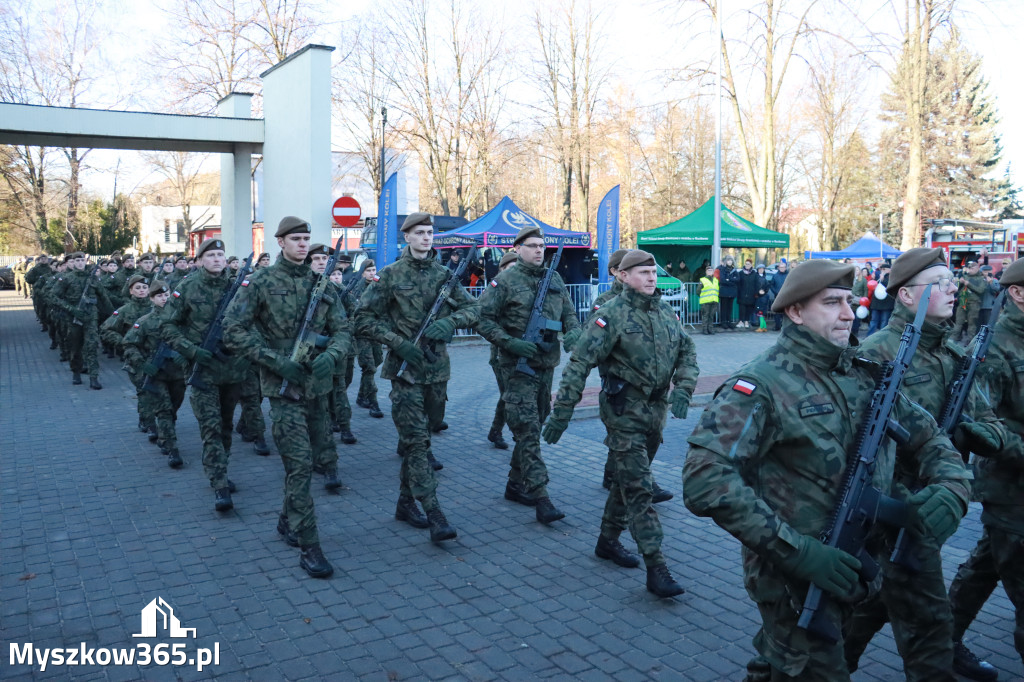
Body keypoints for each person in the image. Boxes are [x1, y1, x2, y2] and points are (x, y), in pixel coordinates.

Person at [682, 259, 971, 680]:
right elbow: (704, 478)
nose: (849, 314)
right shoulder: (761, 384)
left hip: (860, 560)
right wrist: (798, 552)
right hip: (795, 578)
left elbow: (927, 435)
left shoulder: (863, 372)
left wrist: (953, 484)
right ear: (795, 312)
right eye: (832, 302)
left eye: (850, 301)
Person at [844, 248, 1006, 681]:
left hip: (938, 501)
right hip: (893, 511)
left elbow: (990, 421)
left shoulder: (952, 352)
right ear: (908, 297)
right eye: (942, 282)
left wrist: (984, 434)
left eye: (953, 280)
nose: (954, 287)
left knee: (872, 604)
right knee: (929, 626)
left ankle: (827, 665)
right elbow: (858, 445)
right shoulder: (876, 353)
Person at [543, 250, 697, 598]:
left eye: (653, 272)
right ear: (623, 276)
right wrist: (562, 412)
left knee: (627, 481)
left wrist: (684, 388)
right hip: (623, 409)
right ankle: (656, 567)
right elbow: (579, 363)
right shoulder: (609, 314)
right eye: (642, 272)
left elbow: (688, 351)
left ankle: (607, 541)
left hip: (654, 413)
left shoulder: (665, 311)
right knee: (641, 489)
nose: (651, 278)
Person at [223, 219, 351, 579]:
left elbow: (343, 329)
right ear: (280, 242)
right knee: (298, 464)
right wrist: (275, 362)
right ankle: (310, 545)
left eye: (306, 239)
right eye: (296, 239)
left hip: (317, 386)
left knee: (310, 462)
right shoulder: (261, 281)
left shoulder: (321, 283)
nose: (302, 245)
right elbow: (233, 330)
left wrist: (332, 355)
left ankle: (286, 520)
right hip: (282, 387)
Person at [355, 213, 480, 544]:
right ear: (406, 237)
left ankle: (405, 503)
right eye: (419, 233)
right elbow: (363, 320)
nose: (426, 238)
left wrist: (450, 323)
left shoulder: (444, 276)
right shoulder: (390, 276)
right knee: (416, 443)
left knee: (421, 438)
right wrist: (398, 343)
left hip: (437, 372)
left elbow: (473, 310)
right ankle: (435, 512)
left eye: (430, 233)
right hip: (405, 372)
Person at [947, 257, 1024, 678]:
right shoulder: (994, 348)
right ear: (1018, 292)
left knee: (987, 564)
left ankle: (941, 640)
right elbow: (979, 422)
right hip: (1010, 489)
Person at [476, 226, 581, 526]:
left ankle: (514, 484)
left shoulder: (555, 278)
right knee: (528, 430)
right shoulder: (505, 281)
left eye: (542, 246)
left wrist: (574, 331)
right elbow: (481, 318)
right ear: (518, 248)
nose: (539, 251)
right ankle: (541, 496)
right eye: (532, 246)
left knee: (538, 418)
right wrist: (509, 342)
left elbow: (569, 313)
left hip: (546, 365)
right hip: (516, 366)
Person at [161, 238, 250, 513]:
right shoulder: (186, 287)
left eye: (220, 254)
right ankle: (219, 484)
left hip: (233, 370)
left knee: (225, 426)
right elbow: (167, 326)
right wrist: (191, 351)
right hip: (203, 372)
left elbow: (252, 321)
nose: (216, 259)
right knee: (210, 428)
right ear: (199, 260)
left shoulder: (238, 287)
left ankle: (220, 468)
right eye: (210, 255)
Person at [123, 280, 187, 469]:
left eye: (166, 295)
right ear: (151, 299)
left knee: (173, 408)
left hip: (177, 374)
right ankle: (172, 449)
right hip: (157, 374)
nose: (164, 298)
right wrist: (143, 364)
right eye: (159, 295)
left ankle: (164, 434)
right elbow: (129, 345)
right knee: (164, 410)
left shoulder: (181, 319)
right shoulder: (144, 322)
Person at [49, 252, 113, 389]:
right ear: (72, 262)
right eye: (76, 260)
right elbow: (53, 297)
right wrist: (71, 309)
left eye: (82, 260)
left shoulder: (93, 279)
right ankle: (76, 372)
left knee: (91, 345)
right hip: (72, 318)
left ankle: (93, 377)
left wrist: (113, 315)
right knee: (75, 347)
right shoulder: (67, 279)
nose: (79, 263)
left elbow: (104, 297)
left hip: (90, 316)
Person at [483, 251, 520, 451]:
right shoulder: (496, 289)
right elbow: (485, 318)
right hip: (500, 352)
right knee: (509, 394)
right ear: (502, 270)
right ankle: (512, 433)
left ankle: (496, 431)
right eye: (509, 268)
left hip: (520, 351)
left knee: (510, 394)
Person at [348, 259, 385, 419]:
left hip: (375, 332)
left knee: (376, 361)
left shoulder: (378, 286)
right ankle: (373, 402)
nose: (372, 273)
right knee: (369, 367)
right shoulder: (356, 289)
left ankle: (362, 396)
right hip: (361, 333)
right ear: (362, 272)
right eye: (368, 270)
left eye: (374, 270)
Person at [958, 260, 986, 343]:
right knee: (958, 322)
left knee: (972, 324)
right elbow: (958, 290)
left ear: (977, 268)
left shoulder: (981, 278)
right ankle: (953, 339)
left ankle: (970, 342)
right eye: (969, 268)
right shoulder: (965, 276)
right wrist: (960, 283)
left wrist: (968, 284)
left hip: (974, 303)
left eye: (972, 268)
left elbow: (981, 290)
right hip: (963, 302)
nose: (970, 270)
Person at [867, 260, 894, 336]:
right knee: (873, 321)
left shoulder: (892, 277)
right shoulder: (876, 275)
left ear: (889, 270)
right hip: (876, 304)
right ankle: (869, 336)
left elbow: (890, 287)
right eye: (881, 269)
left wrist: (882, 280)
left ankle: (881, 337)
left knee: (884, 321)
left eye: (884, 269)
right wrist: (873, 279)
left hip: (887, 304)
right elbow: (871, 285)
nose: (882, 271)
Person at [717, 255, 739, 330]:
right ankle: (723, 322)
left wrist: (729, 280)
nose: (730, 262)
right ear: (726, 261)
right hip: (724, 292)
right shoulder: (722, 269)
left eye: (731, 260)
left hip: (731, 292)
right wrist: (732, 280)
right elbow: (723, 280)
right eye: (728, 260)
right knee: (724, 307)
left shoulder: (734, 270)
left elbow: (738, 279)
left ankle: (729, 321)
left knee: (730, 307)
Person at [736, 259, 759, 328]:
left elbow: (756, 284)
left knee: (748, 309)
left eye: (748, 264)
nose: (747, 265)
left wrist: (755, 293)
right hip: (742, 293)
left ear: (751, 265)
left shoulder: (754, 273)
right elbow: (738, 283)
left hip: (751, 294)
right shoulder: (740, 273)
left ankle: (746, 321)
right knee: (741, 308)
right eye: (746, 264)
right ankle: (741, 321)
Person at [697, 264, 719, 336]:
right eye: (708, 270)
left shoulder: (716, 280)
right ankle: (705, 329)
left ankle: (710, 329)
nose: (710, 272)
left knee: (711, 316)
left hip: (714, 300)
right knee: (705, 316)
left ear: (713, 272)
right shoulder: (702, 280)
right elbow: (698, 291)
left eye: (711, 270)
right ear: (706, 272)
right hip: (705, 301)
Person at [768, 261, 789, 332]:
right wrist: (775, 291)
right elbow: (771, 285)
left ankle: (785, 327)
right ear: (778, 268)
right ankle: (777, 326)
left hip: (786, 296)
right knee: (777, 311)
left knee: (786, 312)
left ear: (785, 268)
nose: (782, 268)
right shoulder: (775, 275)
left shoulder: (789, 275)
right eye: (780, 267)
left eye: (783, 267)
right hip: (777, 296)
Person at [850, 267, 869, 336]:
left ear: (860, 271)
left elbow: (865, 291)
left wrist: (864, 301)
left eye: (857, 270)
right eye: (854, 270)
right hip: (850, 302)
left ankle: (855, 333)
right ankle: (850, 332)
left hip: (859, 302)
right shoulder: (851, 279)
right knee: (850, 318)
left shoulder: (863, 280)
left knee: (856, 319)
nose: (855, 271)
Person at [753, 264, 770, 331]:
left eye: (762, 269)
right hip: (759, 297)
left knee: (761, 312)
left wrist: (764, 291)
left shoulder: (764, 277)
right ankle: (762, 326)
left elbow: (767, 286)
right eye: (760, 269)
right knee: (760, 312)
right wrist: (758, 292)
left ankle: (763, 327)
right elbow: (754, 287)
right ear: (757, 270)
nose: (761, 270)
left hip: (764, 297)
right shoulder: (756, 277)